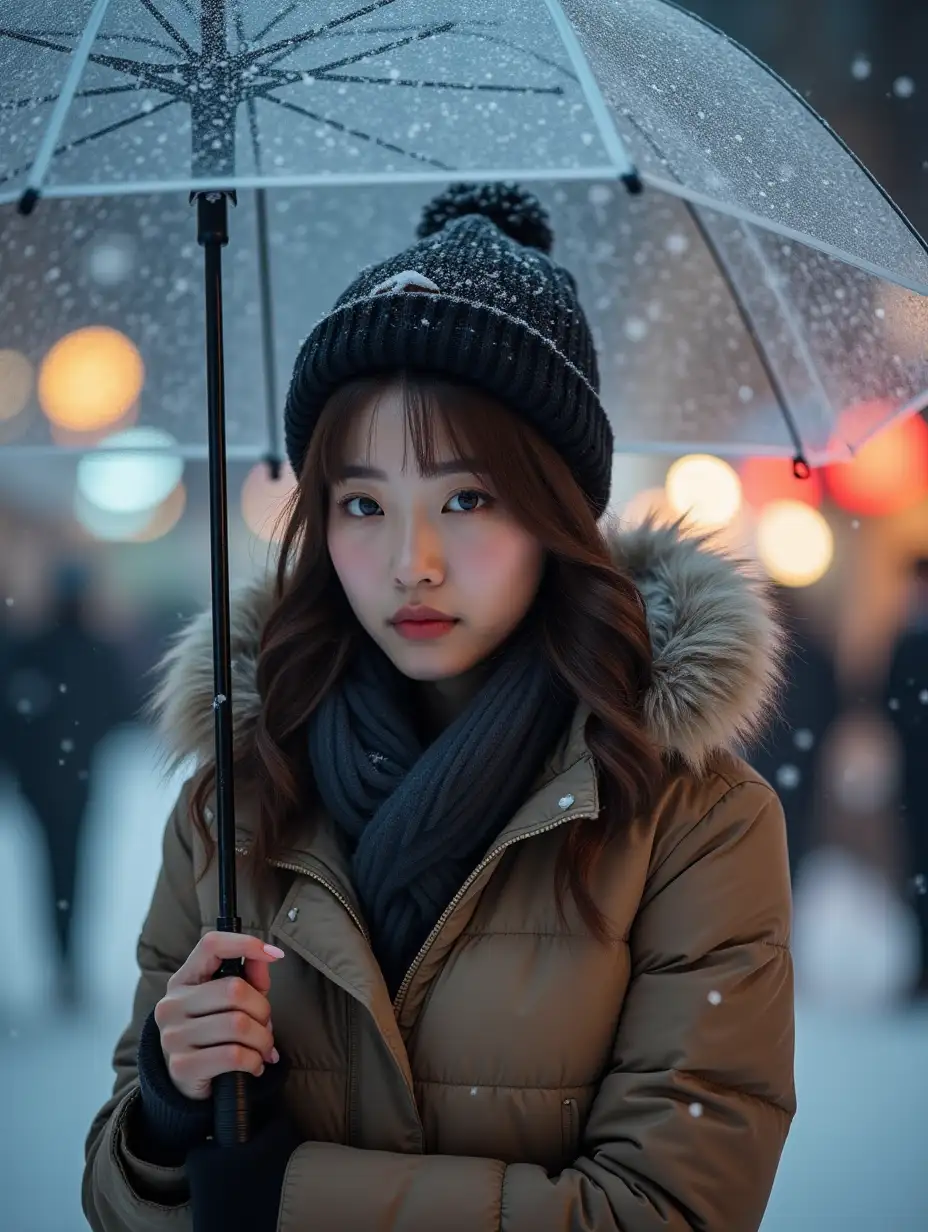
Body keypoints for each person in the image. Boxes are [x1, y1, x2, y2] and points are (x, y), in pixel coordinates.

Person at [82, 183, 795, 1232]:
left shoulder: (691, 820)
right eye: (362, 504)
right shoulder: (234, 799)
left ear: (557, 513)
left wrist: (290, 1202)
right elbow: (114, 1198)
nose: (411, 563)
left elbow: (673, 1208)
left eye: (467, 498)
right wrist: (164, 1112)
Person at [3, 561, 131, 1011]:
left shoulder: (34, 652)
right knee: (68, 872)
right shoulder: (87, 651)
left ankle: (65, 964)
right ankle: (66, 964)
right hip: (69, 783)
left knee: (57, 873)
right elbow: (122, 707)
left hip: (52, 783)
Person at [883, 556, 928, 997]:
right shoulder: (907, 637)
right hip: (915, 780)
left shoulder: (909, 638)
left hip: (915, 777)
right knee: (918, 871)